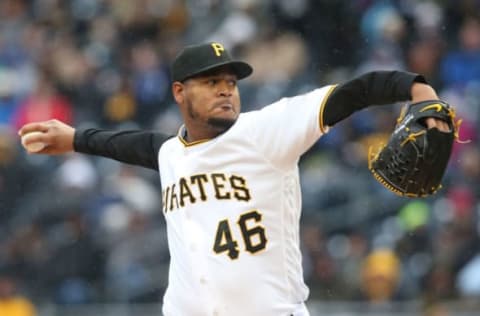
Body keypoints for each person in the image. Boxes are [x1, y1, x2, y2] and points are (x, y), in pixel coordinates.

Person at [18, 42, 450, 316]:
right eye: (212, 81)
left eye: (231, 81)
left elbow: (354, 92)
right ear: (179, 92)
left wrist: (417, 89)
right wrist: (76, 139)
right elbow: (129, 144)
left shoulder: (267, 130)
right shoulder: (170, 152)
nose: (227, 89)